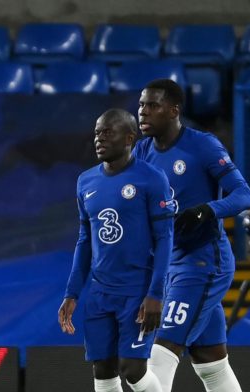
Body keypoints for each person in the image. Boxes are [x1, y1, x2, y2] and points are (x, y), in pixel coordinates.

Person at [135, 79, 250, 392]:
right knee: (212, 365)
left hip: (203, 263)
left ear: (174, 110)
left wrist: (208, 210)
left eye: (152, 105)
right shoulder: (142, 151)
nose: (143, 112)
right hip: (170, 267)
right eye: (141, 105)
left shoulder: (203, 145)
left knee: (159, 355)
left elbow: (244, 194)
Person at [59, 109, 174, 392]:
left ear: (129, 138)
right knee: (103, 369)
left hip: (137, 290)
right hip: (100, 292)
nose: (99, 138)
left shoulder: (151, 178)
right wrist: (72, 293)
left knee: (132, 370)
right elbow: (85, 240)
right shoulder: (85, 181)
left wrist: (155, 294)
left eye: (108, 132)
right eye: (97, 133)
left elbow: (165, 239)